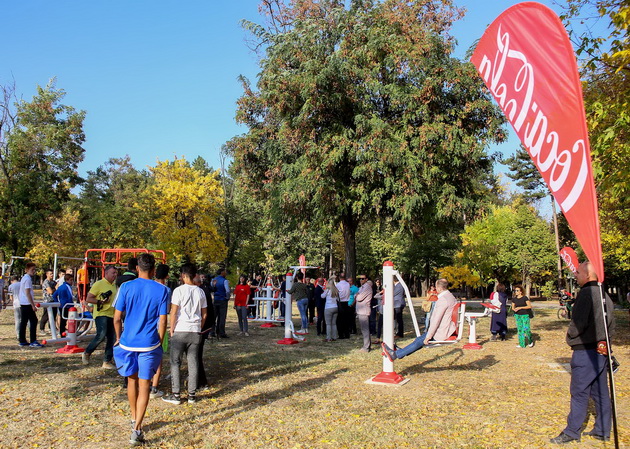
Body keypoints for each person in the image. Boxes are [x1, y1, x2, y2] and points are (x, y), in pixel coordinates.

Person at [550, 261, 616, 444]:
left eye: (578, 273)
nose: (576, 275)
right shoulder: (604, 295)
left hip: (585, 351)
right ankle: (603, 429)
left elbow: (577, 324)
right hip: (601, 351)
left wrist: (571, 336)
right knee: (601, 392)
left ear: (588, 275)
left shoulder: (586, 294)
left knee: (579, 393)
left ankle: (572, 432)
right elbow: (612, 324)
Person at [113, 253, 169, 446]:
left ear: (137, 267)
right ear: (153, 270)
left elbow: (117, 318)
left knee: (131, 380)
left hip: (128, 342)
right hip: (149, 344)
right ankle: (137, 429)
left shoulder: (125, 287)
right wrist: (160, 341)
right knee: (145, 385)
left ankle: (133, 416)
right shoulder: (162, 290)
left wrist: (119, 337)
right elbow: (163, 320)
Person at [162, 263, 207, 405]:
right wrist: (199, 326)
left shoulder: (178, 291)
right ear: (194, 276)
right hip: (195, 330)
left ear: (183, 275)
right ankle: (191, 395)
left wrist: (172, 328)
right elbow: (204, 314)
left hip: (181, 329)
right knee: (193, 362)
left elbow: (174, 312)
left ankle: (176, 394)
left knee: (175, 361)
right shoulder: (200, 292)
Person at [382, 278, 457, 361]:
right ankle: (401, 352)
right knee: (419, 340)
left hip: (441, 331)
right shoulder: (450, 296)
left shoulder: (443, 300)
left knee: (419, 341)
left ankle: (396, 354)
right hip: (445, 328)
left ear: (438, 288)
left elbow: (436, 320)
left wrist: (429, 336)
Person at [82, 266, 118, 369]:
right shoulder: (98, 284)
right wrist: (100, 302)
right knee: (101, 335)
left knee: (112, 338)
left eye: (116, 273)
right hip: (101, 313)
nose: (115, 275)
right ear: (106, 273)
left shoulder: (115, 286)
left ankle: (107, 361)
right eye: (113, 273)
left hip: (112, 314)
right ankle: (87, 352)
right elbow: (89, 298)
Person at [150, 263, 171, 399]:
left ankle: (145, 382)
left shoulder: (148, 286)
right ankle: (154, 388)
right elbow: (167, 310)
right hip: (159, 325)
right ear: (167, 276)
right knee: (158, 358)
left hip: (146, 326)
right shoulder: (166, 290)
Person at [18, 263, 42, 348]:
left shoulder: (24, 278)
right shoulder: (27, 279)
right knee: (34, 320)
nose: (34, 271)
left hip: (23, 302)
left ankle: (22, 340)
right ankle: (33, 340)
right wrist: (33, 305)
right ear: (27, 270)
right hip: (27, 303)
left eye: (35, 270)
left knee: (24, 321)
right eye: (32, 270)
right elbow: (27, 293)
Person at [355, 274, 373, 352]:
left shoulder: (367, 287)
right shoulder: (362, 287)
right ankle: (367, 345)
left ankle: (366, 347)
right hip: (361, 311)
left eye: (363, 279)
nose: (361, 280)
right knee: (364, 329)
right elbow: (357, 295)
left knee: (365, 329)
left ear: (366, 279)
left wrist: (357, 295)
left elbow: (359, 298)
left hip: (364, 311)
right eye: (360, 279)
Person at [212, 268, 230, 338]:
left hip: (216, 299)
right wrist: (227, 297)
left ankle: (212, 331)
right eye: (225, 272)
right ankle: (221, 332)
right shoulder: (225, 281)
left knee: (214, 316)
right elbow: (227, 291)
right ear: (222, 272)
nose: (225, 273)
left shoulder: (214, 280)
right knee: (222, 317)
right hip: (222, 299)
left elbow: (212, 288)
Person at [322, 277, 339, 342]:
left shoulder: (327, 290)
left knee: (328, 324)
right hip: (335, 307)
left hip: (328, 308)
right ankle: (334, 337)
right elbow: (337, 299)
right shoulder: (336, 290)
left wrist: (324, 290)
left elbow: (322, 296)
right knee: (334, 323)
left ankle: (328, 337)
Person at [336, 273, 351, 339]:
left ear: (339, 277)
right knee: (347, 319)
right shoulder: (348, 284)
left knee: (340, 320)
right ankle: (347, 334)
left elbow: (337, 294)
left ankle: (341, 334)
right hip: (347, 302)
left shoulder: (338, 285)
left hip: (340, 302)